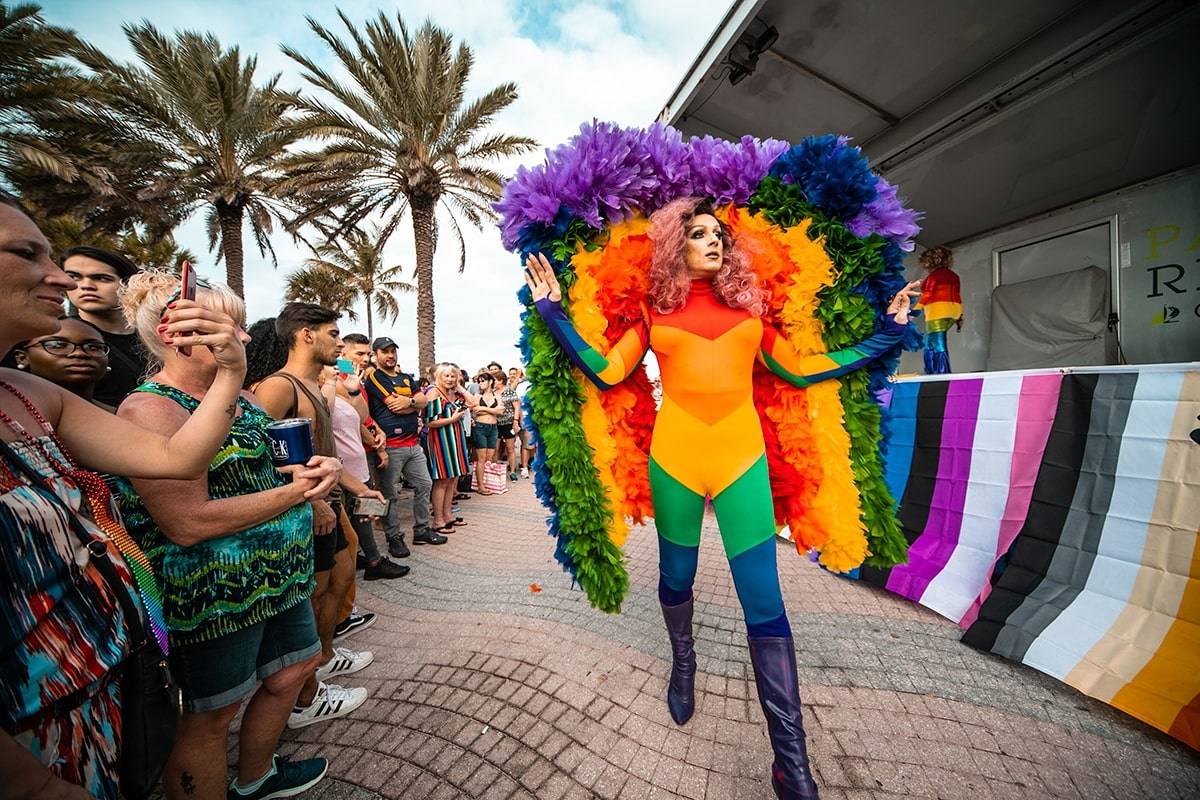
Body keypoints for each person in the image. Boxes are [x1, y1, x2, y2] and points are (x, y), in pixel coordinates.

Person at [524, 197, 919, 800]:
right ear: (674, 246)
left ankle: (792, 763)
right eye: (699, 234)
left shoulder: (751, 314)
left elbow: (804, 370)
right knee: (676, 578)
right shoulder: (654, 315)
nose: (714, 241)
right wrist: (553, 311)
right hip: (675, 462)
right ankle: (684, 660)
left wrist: (889, 334)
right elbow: (605, 372)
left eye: (719, 235)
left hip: (742, 461)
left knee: (764, 598)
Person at [0, 192, 259, 800]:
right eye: (27, 254)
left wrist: (231, 372)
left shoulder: (28, 396)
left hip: (102, 686)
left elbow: (177, 458)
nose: (61, 277)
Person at [113, 274, 342, 800]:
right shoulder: (149, 409)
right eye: (229, 327)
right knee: (212, 713)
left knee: (293, 670)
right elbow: (187, 521)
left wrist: (317, 473)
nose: (244, 338)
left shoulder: (245, 400)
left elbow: (280, 469)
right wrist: (297, 495)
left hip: (280, 578)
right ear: (178, 333)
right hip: (213, 595)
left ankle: (256, 777)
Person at [251, 304, 373, 729]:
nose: (340, 343)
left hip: (330, 503)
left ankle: (322, 659)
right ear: (306, 334)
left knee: (341, 580)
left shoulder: (314, 385)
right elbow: (256, 459)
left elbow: (326, 452)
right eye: (333, 333)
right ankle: (306, 696)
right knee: (315, 595)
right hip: (307, 512)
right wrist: (311, 501)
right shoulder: (278, 386)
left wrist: (358, 488)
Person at [362, 336, 445, 555]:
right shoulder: (375, 377)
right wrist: (413, 404)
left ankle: (422, 530)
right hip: (389, 446)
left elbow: (423, 402)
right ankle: (394, 537)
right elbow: (393, 405)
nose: (390, 355)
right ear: (375, 355)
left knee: (425, 484)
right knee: (390, 494)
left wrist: (409, 402)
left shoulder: (406, 378)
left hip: (413, 445)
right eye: (385, 351)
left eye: (393, 351)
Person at [62, 245, 147, 406]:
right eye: (74, 277)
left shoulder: (154, 337)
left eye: (101, 278)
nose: (86, 285)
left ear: (128, 285)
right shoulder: (56, 338)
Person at [10, 316, 113, 410]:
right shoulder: (11, 413)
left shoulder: (118, 416)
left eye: (94, 347)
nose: (79, 353)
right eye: (57, 345)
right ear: (22, 358)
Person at [424, 363, 475, 532]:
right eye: (446, 375)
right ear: (438, 376)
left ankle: (448, 515)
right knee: (442, 480)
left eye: (453, 376)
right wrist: (451, 420)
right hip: (441, 440)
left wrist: (459, 387)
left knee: (452, 479)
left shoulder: (454, 392)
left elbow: (473, 402)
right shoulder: (433, 392)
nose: (450, 379)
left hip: (456, 438)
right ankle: (438, 520)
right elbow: (429, 422)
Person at [915, 245, 963, 374]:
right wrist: (960, 316)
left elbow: (928, 294)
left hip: (937, 313)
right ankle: (932, 371)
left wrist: (915, 310)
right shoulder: (954, 276)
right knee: (929, 342)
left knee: (937, 342)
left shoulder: (934, 276)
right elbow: (957, 296)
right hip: (953, 312)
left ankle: (942, 372)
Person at [470, 372, 501, 494]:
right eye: (479, 381)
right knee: (481, 458)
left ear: (490, 382)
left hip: (493, 428)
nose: (480, 383)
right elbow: (475, 410)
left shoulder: (497, 395)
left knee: (490, 457)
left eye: (483, 381)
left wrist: (483, 409)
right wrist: (493, 410)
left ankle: (488, 482)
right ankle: (480, 486)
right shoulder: (477, 396)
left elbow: (501, 411)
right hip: (480, 427)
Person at [496, 366, 522, 480]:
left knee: (510, 448)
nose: (493, 382)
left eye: (495, 380)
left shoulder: (510, 391)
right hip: (496, 424)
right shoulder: (493, 392)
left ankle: (512, 471)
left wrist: (515, 421)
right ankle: (496, 472)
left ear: (501, 380)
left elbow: (516, 407)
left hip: (508, 423)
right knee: (495, 449)